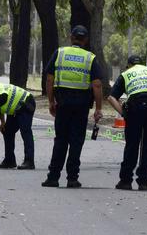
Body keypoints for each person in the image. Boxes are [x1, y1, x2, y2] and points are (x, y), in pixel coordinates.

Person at [42, 25, 103, 188]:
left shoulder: (59, 53)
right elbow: (97, 85)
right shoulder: (90, 58)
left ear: (71, 37)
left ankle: (53, 178)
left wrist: (51, 101)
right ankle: (72, 178)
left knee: (60, 140)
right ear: (86, 40)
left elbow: (49, 79)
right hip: (81, 106)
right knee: (76, 141)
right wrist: (98, 109)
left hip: (62, 104)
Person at [108, 56, 147, 191]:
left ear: (128, 66)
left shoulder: (126, 74)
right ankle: (144, 182)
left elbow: (111, 97)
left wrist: (123, 113)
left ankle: (126, 181)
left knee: (132, 144)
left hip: (137, 107)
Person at [0, 83, 36, 170]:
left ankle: (29, 161)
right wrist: (3, 122)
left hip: (26, 102)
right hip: (16, 107)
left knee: (25, 131)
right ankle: (10, 161)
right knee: (7, 130)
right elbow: (0, 107)